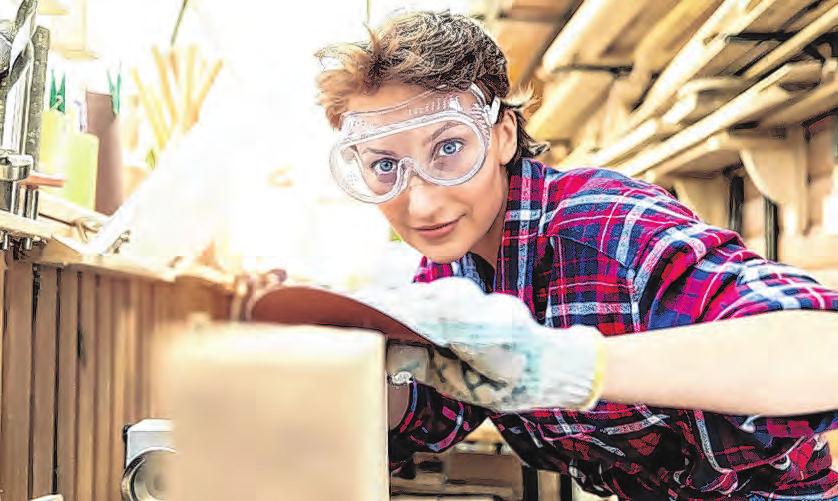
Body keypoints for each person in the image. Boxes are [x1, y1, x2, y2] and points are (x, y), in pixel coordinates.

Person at [313, 10, 838, 500]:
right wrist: (363, 356)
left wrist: (569, 364)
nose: (422, 201)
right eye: (385, 166)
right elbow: (431, 418)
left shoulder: (603, 226)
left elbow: (825, 352)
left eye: (448, 148)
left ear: (501, 135)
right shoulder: (452, 269)